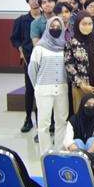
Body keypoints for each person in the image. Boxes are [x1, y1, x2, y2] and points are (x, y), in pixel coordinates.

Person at [28, 16, 68, 155]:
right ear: (47, 28)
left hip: (62, 90)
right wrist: (38, 86)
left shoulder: (65, 46)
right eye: (52, 26)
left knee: (61, 121)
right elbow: (32, 69)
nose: (55, 29)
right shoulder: (40, 47)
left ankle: (60, 150)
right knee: (44, 124)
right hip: (44, 91)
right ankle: (45, 152)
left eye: (58, 26)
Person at [10, 0, 41, 133]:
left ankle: (41, 119)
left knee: (42, 91)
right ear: (28, 1)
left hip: (44, 60)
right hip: (29, 58)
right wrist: (21, 53)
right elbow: (15, 39)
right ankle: (28, 118)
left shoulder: (46, 19)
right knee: (30, 89)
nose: (35, 1)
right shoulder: (21, 20)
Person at [65, 11, 94, 115]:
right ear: (77, 24)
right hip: (80, 87)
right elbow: (69, 66)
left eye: (89, 24)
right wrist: (82, 85)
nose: (87, 26)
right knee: (81, 115)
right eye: (84, 24)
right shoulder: (71, 42)